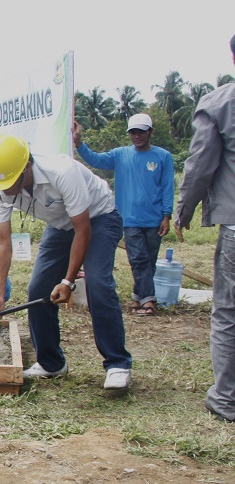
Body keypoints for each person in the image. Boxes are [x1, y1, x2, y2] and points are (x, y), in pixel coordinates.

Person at [0, 133, 132, 390]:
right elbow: (2, 242)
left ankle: (117, 363)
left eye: (9, 182)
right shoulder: (0, 188)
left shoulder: (62, 172)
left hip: (98, 218)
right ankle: (51, 363)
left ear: (26, 167)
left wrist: (68, 281)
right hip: (61, 225)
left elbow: (82, 230)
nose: (4, 189)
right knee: (38, 289)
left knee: (97, 283)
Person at [175, 34, 235, 423]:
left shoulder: (220, 103)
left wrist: (183, 210)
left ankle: (226, 398)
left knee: (228, 312)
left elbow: (200, 166)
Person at [73, 114, 174, 316]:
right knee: (138, 259)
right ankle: (148, 300)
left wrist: (166, 215)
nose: (137, 136)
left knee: (149, 261)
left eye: (141, 132)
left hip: (154, 218)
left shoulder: (163, 156)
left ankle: (139, 296)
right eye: (133, 132)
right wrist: (79, 143)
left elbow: (167, 187)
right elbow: (95, 159)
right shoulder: (120, 154)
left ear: (150, 132)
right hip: (129, 218)